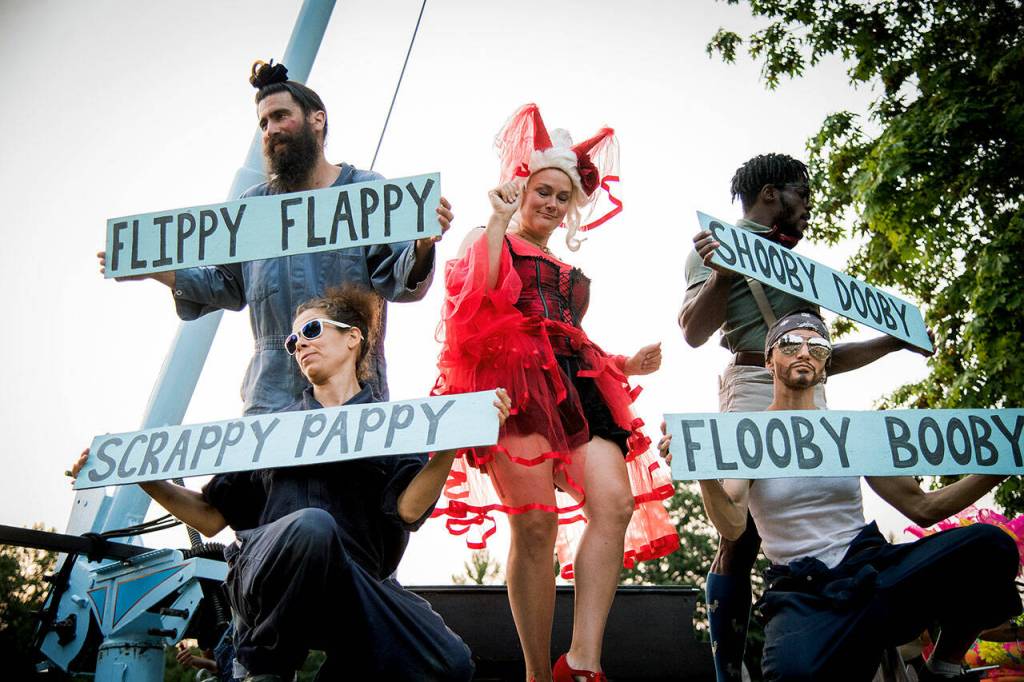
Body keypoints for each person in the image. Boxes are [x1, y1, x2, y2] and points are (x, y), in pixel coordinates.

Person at [73, 284, 512, 681]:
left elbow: (408, 509)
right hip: (268, 582)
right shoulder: (270, 429)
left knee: (450, 662)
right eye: (292, 340)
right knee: (312, 526)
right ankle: (262, 669)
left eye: (312, 330)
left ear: (353, 337)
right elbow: (209, 519)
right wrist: (144, 478)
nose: (299, 344)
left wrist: (452, 444)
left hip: (352, 586)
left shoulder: (396, 426)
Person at [431, 103, 678, 682]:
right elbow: (475, 304)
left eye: (561, 197)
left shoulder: (563, 265)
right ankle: (536, 676)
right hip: (509, 387)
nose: (550, 203)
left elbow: (571, 339)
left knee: (613, 503)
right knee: (536, 523)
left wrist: (623, 363)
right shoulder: (485, 236)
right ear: (521, 187)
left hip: (575, 390)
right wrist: (495, 223)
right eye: (542, 190)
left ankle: (583, 662)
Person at [677, 153, 934, 681]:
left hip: (812, 395)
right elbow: (693, 331)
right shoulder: (711, 249)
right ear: (772, 194)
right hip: (752, 384)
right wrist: (724, 273)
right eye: (803, 197)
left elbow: (828, 358)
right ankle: (729, 667)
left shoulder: (802, 270)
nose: (809, 210)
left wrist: (892, 341)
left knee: (820, 502)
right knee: (741, 529)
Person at [662, 312, 1021, 681]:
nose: (804, 352)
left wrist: (1004, 464)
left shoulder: (853, 430)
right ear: (769, 359)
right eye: (790, 344)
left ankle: (943, 667)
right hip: (804, 592)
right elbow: (734, 525)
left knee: (991, 546)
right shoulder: (746, 433)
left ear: (825, 365)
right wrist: (703, 472)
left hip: (872, 574)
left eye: (816, 346)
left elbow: (923, 508)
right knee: (791, 672)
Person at [98, 59, 453, 413]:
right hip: (270, 401)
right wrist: (152, 267)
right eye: (264, 123)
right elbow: (227, 285)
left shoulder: (365, 190)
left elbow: (398, 278)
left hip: (352, 396)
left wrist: (422, 243)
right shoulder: (252, 207)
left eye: (281, 116)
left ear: (317, 119)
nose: (270, 129)